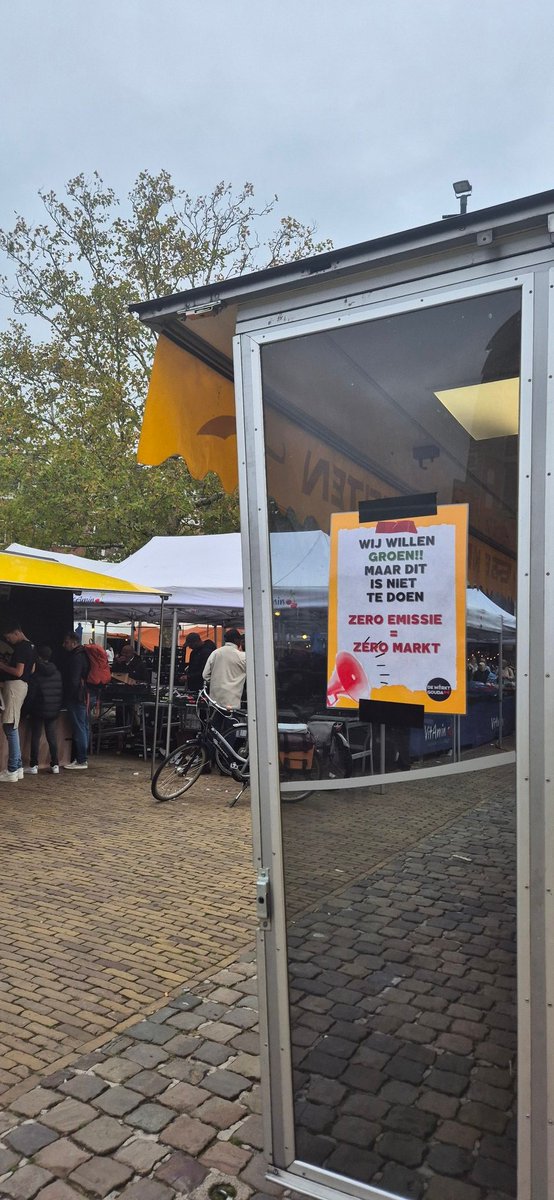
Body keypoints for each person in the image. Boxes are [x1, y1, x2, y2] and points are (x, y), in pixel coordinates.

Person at [0, 620, 36, 783]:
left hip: (14, 687)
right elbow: (32, 669)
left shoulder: (22, 647)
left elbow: (18, 671)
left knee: (10, 726)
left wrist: (2, 665)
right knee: (12, 725)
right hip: (23, 687)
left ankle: (12, 768)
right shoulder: (32, 646)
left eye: (9, 638)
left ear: (16, 633)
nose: (9, 641)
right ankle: (18, 767)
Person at [24, 646, 63, 775]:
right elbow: (59, 691)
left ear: (38, 657)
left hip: (38, 709)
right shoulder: (57, 672)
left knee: (35, 736)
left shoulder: (36, 673)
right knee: (51, 737)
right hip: (53, 710)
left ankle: (34, 765)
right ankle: (55, 764)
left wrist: (25, 711)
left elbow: (31, 695)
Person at [61, 631, 90, 769]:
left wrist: (69, 695)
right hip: (82, 695)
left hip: (76, 696)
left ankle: (81, 759)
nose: (64, 645)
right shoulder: (83, 655)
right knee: (83, 726)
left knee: (79, 727)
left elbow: (73, 680)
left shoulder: (76, 657)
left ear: (74, 642)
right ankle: (82, 758)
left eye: (66, 642)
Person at [203, 628, 246, 709]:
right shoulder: (242, 656)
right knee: (232, 721)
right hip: (232, 700)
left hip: (215, 699)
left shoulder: (215, 653)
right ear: (236, 640)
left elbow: (205, 675)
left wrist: (216, 682)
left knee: (215, 721)